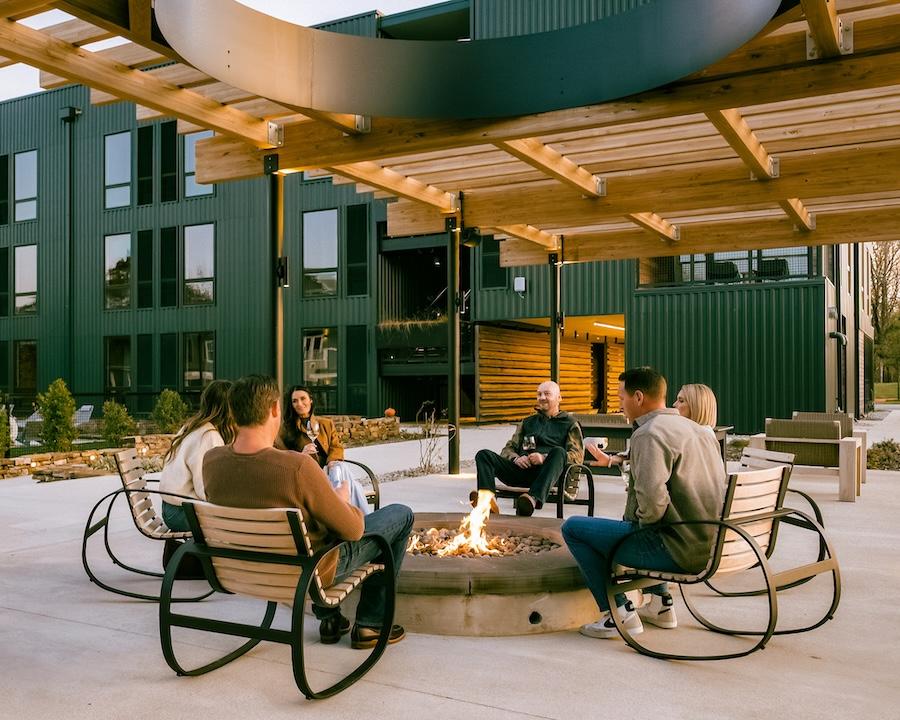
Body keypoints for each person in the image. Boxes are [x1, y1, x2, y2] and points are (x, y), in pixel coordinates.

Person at [203, 375, 413, 649]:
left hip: (240, 571)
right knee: (401, 514)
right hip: (307, 574)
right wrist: (341, 501)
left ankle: (330, 620)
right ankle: (371, 624)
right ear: (276, 410)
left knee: (312, 531)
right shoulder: (297, 467)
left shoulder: (212, 462)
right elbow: (353, 530)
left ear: (232, 413)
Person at [562, 367, 725, 639]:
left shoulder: (648, 433)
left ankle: (617, 614)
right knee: (630, 525)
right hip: (707, 542)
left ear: (638, 397)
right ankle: (661, 605)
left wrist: (634, 524)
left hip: (678, 551)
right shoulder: (696, 429)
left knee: (574, 528)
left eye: (621, 397)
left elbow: (651, 505)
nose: (619, 404)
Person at [474, 380, 584, 517]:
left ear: (559, 398)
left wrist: (544, 458)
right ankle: (486, 500)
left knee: (559, 452)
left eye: (547, 394)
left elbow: (577, 456)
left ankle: (532, 499)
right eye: (539, 394)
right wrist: (516, 458)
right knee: (483, 455)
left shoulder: (569, 423)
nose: (542, 397)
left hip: (550, 476)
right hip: (522, 472)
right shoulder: (527, 422)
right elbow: (507, 449)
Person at [277, 385, 371, 514]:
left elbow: (336, 446)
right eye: (295, 401)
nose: (299, 403)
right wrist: (301, 454)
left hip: (329, 471)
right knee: (352, 484)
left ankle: (340, 503)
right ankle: (362, 517)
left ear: (311, 400)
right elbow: (281, 456)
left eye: (303, 398)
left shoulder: (325, 423)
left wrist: (331, 461)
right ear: (291, 405)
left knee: (341, 469)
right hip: (309, 475)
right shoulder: (286, 429)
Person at [159, 380, 236, 532]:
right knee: (238, 523)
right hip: (181, 513)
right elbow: (206, 488)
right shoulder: (208, 436)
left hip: (173, 508)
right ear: (228, 408)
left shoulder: (192, 426)